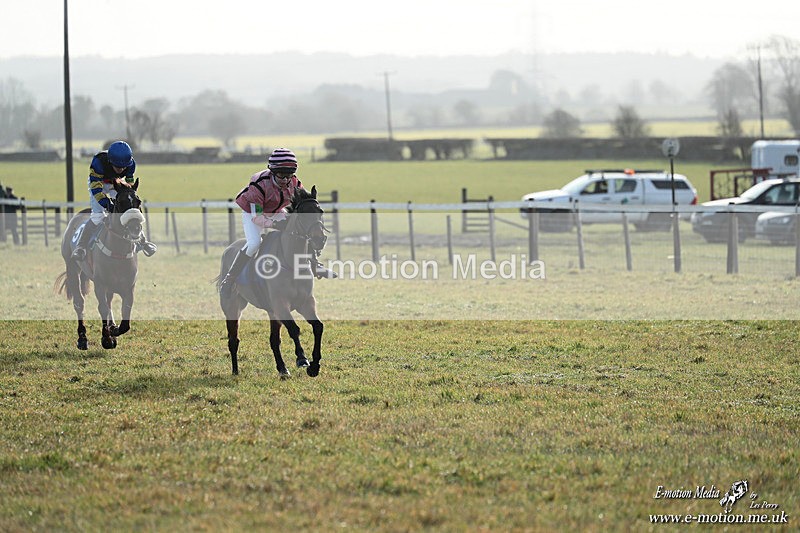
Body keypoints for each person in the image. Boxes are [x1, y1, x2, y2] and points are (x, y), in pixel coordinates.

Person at [218, 148, 335, 298]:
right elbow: (258, 218)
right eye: (281, 176)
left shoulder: (295, 182)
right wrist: (274, 224)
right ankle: (230, 278)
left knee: (300, 231)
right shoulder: (259, 185)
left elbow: (301, 206)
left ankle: (316, 265)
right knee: (254, 243)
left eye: (289, 175)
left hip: (276, 211)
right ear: (272, 171)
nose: (286, 180)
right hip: (253, 213)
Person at [71, 141, 157, 260]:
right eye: (117, 167)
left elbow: (129, 184)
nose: (121, 170)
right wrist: (108, 205)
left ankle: (142, 241)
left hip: (115, 183)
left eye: (123, 167)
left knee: (129, 210)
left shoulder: (131, 164)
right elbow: (97, 190)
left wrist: (127, 198)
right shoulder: (98, 162)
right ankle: (81, 247)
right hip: (98, 183)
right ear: (110, 161)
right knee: (97, 217)